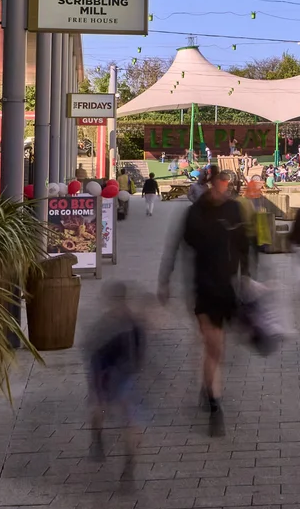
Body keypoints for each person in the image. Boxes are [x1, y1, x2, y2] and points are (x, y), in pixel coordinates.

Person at [165, 166, 244, 435]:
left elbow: (245, 244)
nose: (223, 187)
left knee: (215, 347)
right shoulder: (195, 213)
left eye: (227, 183)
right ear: (209, 183)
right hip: (203, 288)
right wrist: (165, 280)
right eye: (220, 182)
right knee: (214, 345)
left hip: (226, 288)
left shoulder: (234, 210)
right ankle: (214, 403)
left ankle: (207, 385)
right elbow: (175, 246)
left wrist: (253, 278)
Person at [84, 282, 149, 481]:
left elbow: (91, 352)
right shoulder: (133, 323)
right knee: (129, 418)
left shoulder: (103, 326)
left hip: (110, 376)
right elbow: (140, 354)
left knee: (103, 409)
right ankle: (127, 463)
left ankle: (99, 442)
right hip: (122, 376)